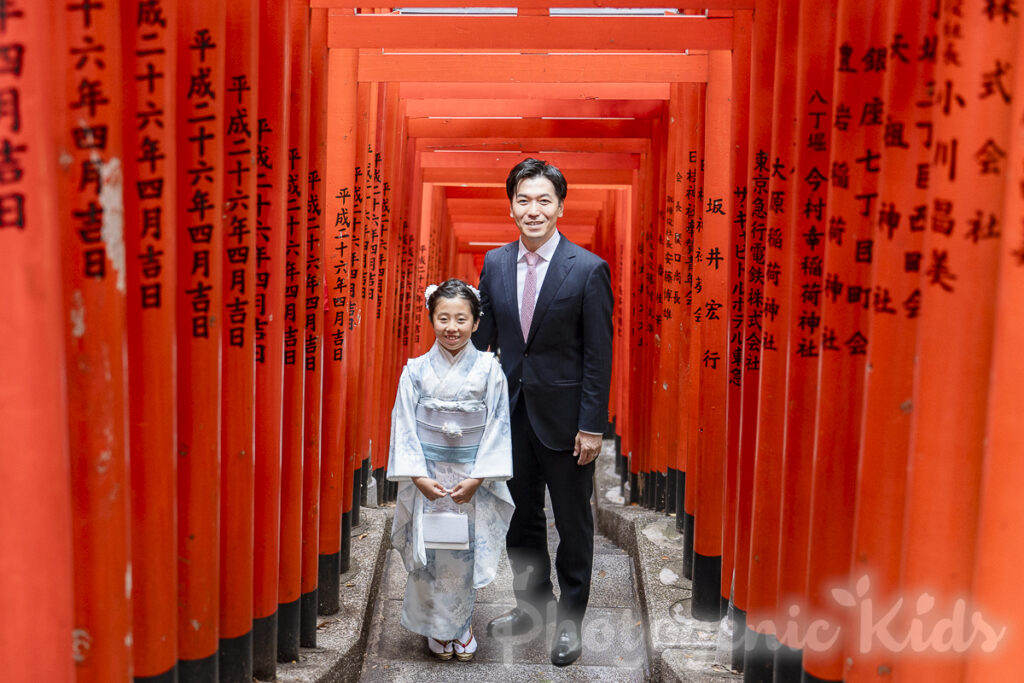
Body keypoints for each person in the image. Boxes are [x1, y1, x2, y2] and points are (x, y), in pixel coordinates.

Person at [472, 158, 614, 666]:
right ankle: (532, 606)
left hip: (568, 422)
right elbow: (484, 341)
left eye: (543, 200)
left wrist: (592, 425)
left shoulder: (588, 269)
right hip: (510, 417)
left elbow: (598, 355)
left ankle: (571, 622)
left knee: (573, 524)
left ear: (560, 207)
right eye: (523, 200)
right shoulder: (494, 263)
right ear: (511, 207)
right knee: (520, 519)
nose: (533, 210)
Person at [386, 278, 515, 662]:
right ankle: (436, 627)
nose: (452, 327)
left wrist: (478, 478)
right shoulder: (415, 371)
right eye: (443, 318)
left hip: (471, 476)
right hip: (428, 474)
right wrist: (418, 476)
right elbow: (404, 425)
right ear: (431, 319)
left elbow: (498, 425)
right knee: (432, 552)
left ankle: (461, 626)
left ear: (476, 322)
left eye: (461, 319)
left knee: (465, 551)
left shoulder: (490, 370)